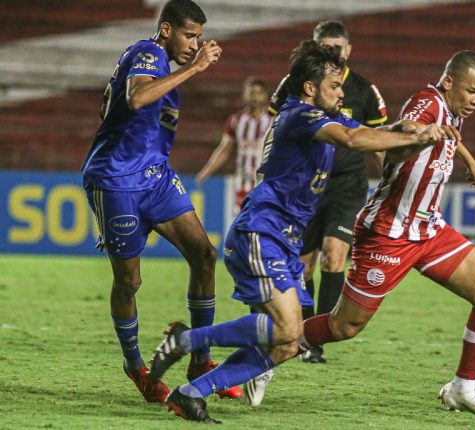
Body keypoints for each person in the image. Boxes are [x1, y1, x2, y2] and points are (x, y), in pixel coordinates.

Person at [147, 40, 445, 423]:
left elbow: (378, 137)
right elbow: (355, 140)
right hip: (261, 231)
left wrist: (410, 134)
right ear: (309, 87)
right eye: (334, 86)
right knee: (287, 327)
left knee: (289, 343)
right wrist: (417, 136)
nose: (341, 92)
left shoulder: (322, 117)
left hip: (284, 240)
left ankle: (191, 393)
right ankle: (186, 341)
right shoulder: (300, 116)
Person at [299, 51, 475, 422]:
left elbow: (448, 131)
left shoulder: (453, 111)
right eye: (471, 91)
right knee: (342, 326)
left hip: (429, 230)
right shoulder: (426, 101)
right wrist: (416, 134)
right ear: (449, 83)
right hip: (388, 232)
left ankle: (464, 386)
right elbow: (408, 127)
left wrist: (469, 160)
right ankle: (273, 348)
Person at [80, 0, 242, 402]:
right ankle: (136, 365)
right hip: (117, 180)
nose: (195, 45)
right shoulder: (147, 52)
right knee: (129, 280)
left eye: (199, 38)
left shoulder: (164, 74)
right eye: (189, 35)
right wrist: (195, 68)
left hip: (156, 178)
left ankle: (200, 358)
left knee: (204, 255)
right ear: (166, 30)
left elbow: (122, 109)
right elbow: (135, 99)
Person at [269, 20, 389, 364]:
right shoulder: (297, 84)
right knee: (304, 268)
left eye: (338, 48)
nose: (333, 53)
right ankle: (300, 334)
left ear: (349, 50)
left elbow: (375, 141)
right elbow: (276, 127)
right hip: (306, 188)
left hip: (347, 186)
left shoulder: (365, 90)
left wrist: (387, 183)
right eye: (327, 47)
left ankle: (316, 341)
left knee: (334, 257)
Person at [196, 78, 273, 214]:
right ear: (244, 95)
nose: (255, 96)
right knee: (242, 222)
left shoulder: (273, 121)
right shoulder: (236, 120)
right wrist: (206, 171)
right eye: (251, 92)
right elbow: (225, 149)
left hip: (266, 181)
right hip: (242, 182)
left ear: (266, 96)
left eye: (259, 93)